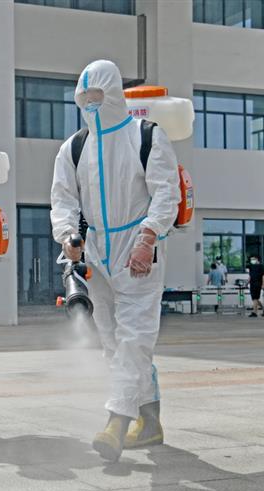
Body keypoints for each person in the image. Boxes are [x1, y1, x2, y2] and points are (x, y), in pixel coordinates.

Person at [50, 60, 181, 462]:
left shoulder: (145, 136)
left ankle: (117, 423)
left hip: (137, 247)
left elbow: (167, 193)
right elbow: (62, 199)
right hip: (95, 251)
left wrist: (148, 236)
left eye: (97, 96)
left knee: (134, 338)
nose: (90, 104)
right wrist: (68, 237)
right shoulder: (74, 147)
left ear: (112, 94)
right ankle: (150, 423)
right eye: (84, 97)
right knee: (112, 342)